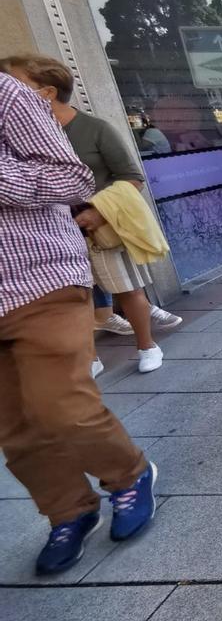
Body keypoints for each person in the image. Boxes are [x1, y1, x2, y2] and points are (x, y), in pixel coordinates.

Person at [0, 72, 158, 575]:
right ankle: (67, 510)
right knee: (16, 427)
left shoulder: (7, 95)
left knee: (62, 407)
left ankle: (128, 475)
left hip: (35, 276)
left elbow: (73, 178)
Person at [1, 55, 182, 375]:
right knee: (82, 300)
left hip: (99, 230)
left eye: (17, 83)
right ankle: (90, 357)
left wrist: (98, 212)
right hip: (52, 239)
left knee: (127, 290)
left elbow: (132, 176)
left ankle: (147, 345)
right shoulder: (23, 131)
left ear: (47, 93)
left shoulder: (93, 128)